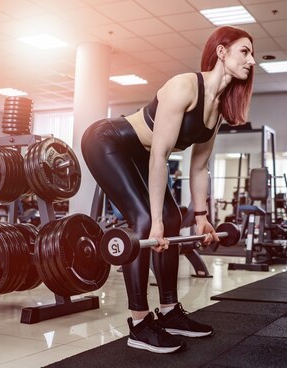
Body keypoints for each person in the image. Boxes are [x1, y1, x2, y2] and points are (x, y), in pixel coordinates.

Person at [81, 26, 255, 353]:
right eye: (244, 51)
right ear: (221, 52)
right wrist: (156, 221)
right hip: (106, 142)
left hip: (140, 154)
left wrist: (202, 216)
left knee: (174, 219)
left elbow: (200, 166)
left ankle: (171, 311)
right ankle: (140, 322)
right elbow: (160, 155)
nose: (251, 61)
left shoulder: (217, 110)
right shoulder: (184, 86)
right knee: (146, 221)